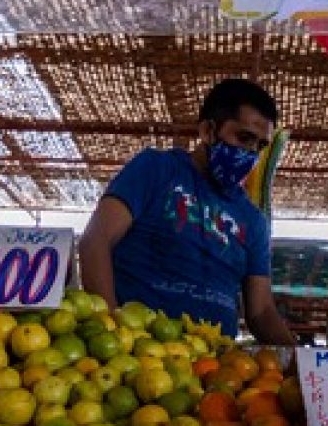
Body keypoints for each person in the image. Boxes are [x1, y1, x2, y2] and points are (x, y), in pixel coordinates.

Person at [79, 79, 295, 345]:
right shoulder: (156, 169)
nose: (251, 154)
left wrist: (305, 361)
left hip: (218, 368)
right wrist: (111, 329)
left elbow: (261, 311)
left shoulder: (254, 220)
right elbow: (95, 243)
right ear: (208, 131)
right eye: (243, 138)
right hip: (139, 360)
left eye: (259, 147)